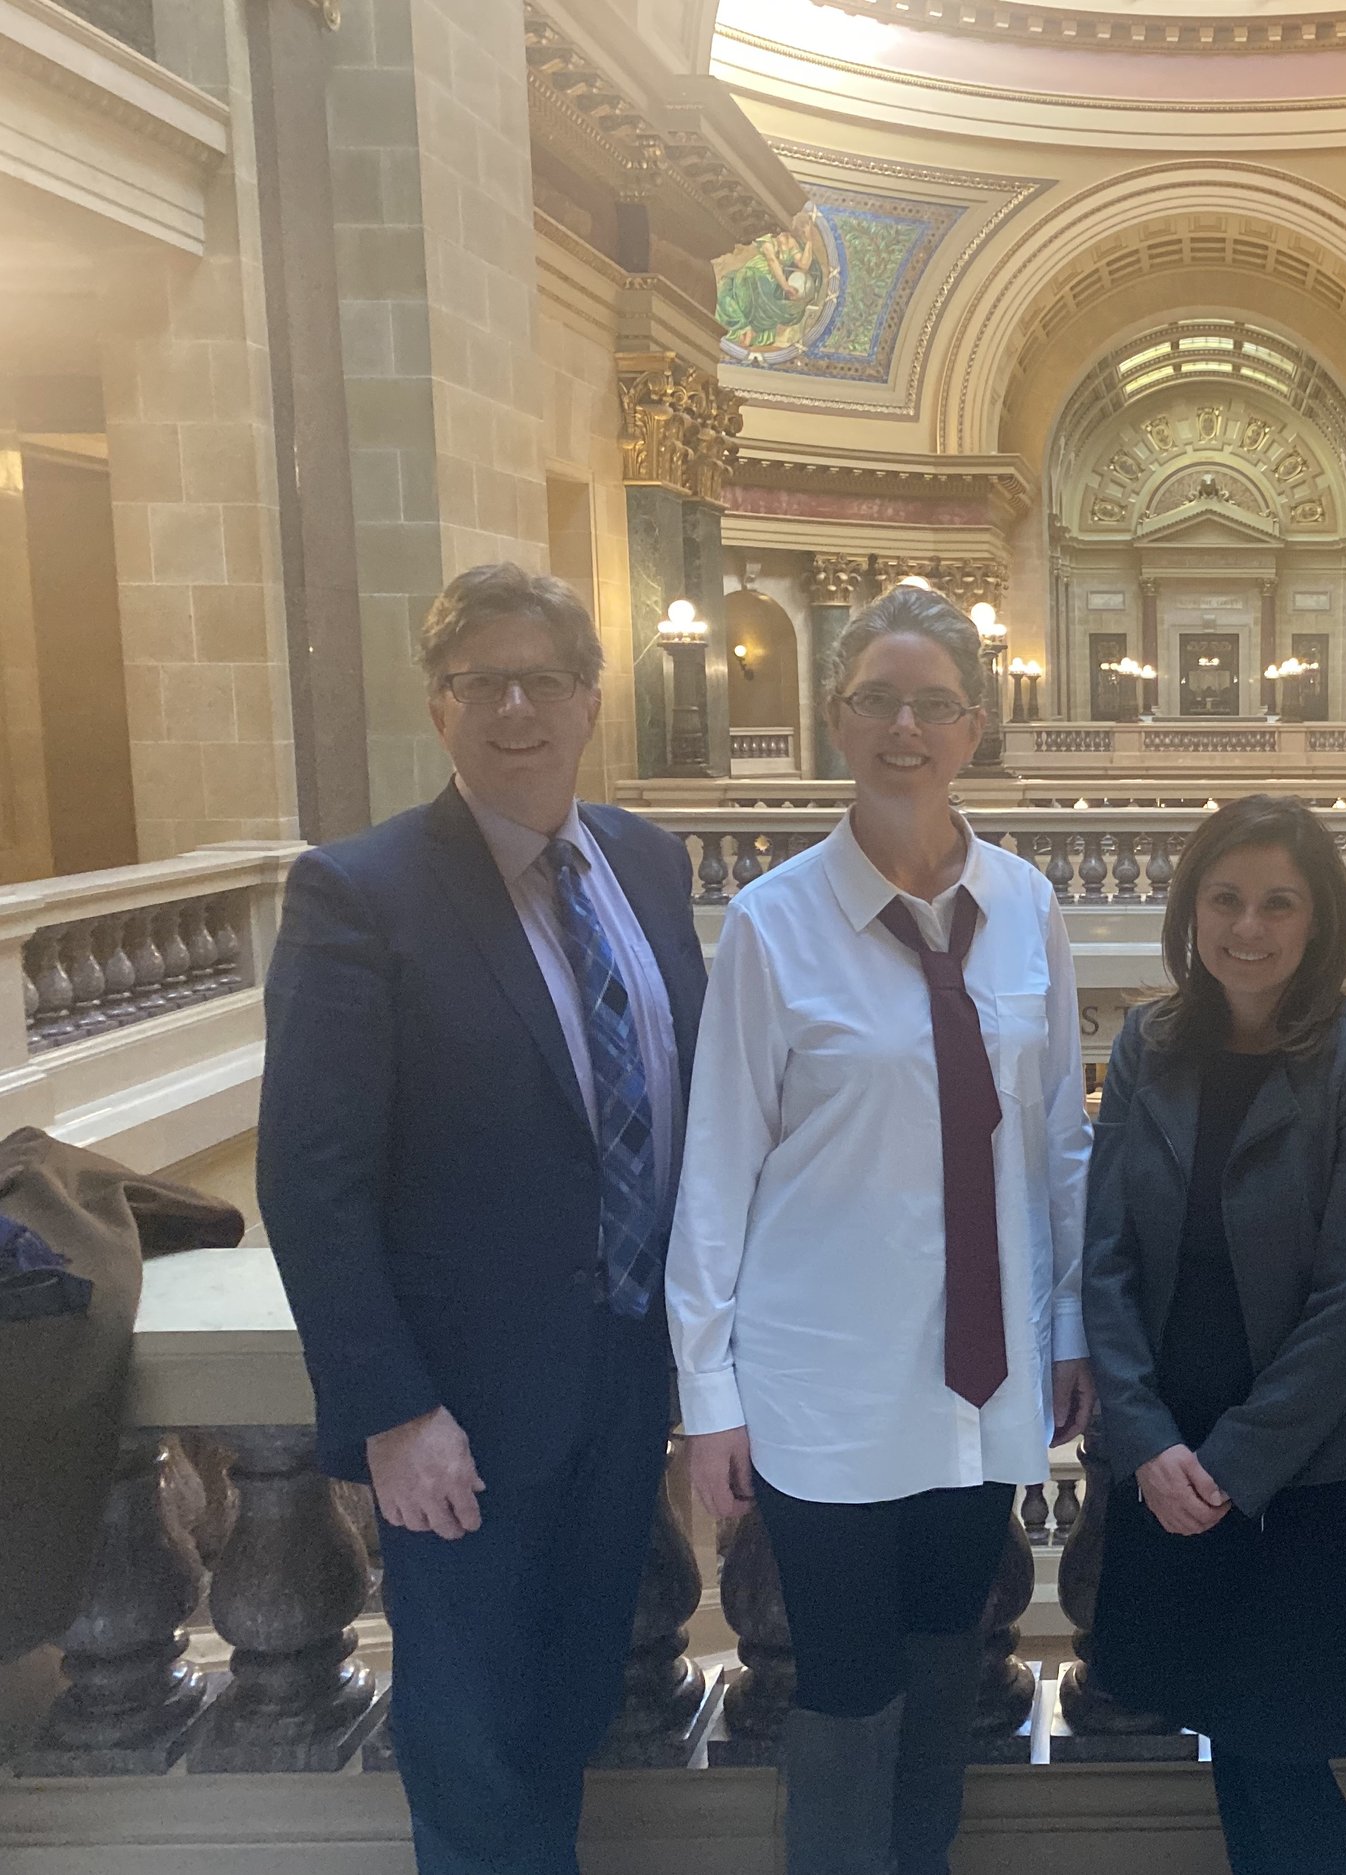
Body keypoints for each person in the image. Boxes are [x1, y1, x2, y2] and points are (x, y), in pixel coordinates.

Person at [259, 564, 707, 1875]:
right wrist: (393, 1407)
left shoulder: (647, 858)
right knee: (468, 1750)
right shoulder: (359, 892)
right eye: (482, 682)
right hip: (459, 1415)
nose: (518, 706)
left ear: (590, 700)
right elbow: (311, 1179)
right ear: (440, 708)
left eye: (545, 679)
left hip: (627, 1388)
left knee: (568, 1714)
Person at [667, 584, 1093, 1875]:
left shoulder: (1026, 907)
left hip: (981, 1383)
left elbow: (1057, 1145)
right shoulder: (773, 923)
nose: (904, 727)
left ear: (974, 724)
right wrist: (708, 1389)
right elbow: (716, 1166)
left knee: (944, 1665)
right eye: (876, 702)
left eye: (932, 704)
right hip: (827, 1386)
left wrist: (1070, 1325)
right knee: (846, 1689)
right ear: (839, 721)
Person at [1083, 794, 1346, 1875]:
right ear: (1192, 909)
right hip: (1168, 1453)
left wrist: (1231, 1466)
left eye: (1280, 903)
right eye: (1226, 898)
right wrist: (1146, 1441)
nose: (1249, 927)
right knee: (1225, 1735)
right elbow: (1107, 1257)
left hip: (1305, 1472)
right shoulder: (1148, 1040)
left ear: (1318, 921)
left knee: (1282, 1748)